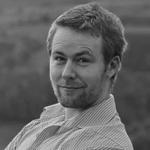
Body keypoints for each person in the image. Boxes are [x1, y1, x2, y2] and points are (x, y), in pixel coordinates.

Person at [5, 2, 134, 150]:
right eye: (60, 58)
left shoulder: (107, 146)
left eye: (82, 60)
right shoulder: (39, 125)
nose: (67, 73)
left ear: (112, 66)